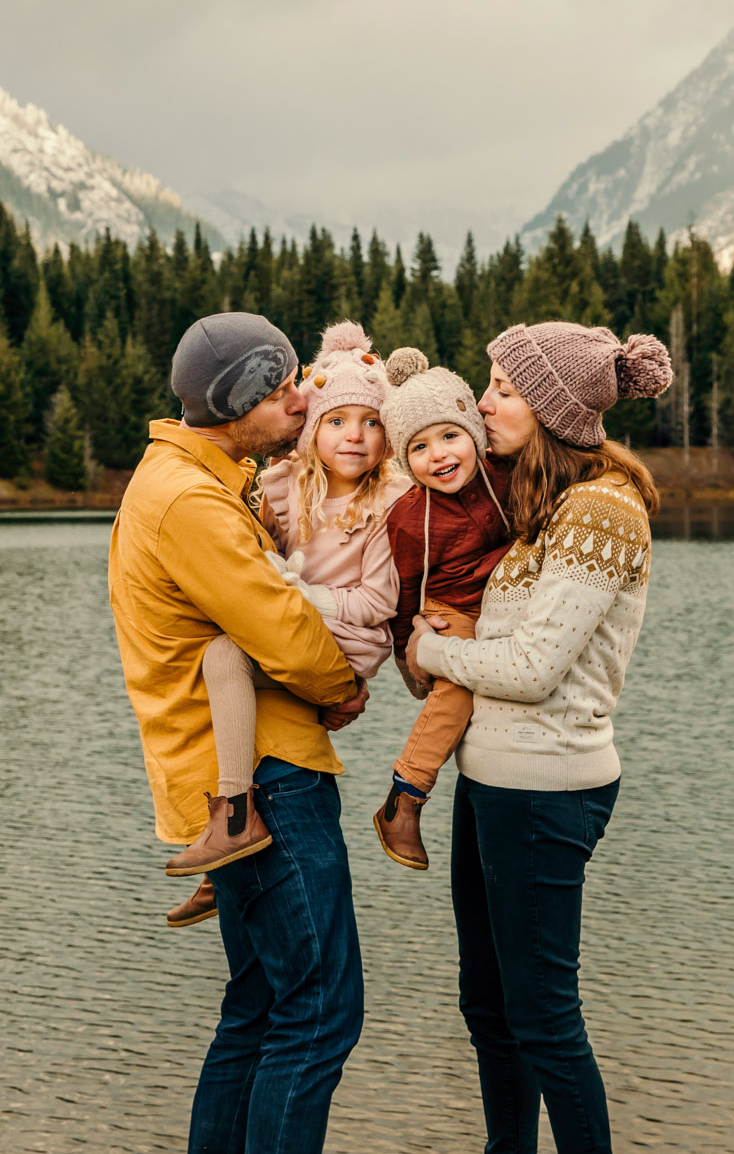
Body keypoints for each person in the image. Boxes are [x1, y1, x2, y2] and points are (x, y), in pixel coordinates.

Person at [405, 321, 671, 1154]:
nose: (484, 404)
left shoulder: (601, 509)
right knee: (488, 1005)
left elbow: (532, 668)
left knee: (544, 1016)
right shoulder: (541, 504)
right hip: (494, 784)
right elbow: (501, 649)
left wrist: (430, 647)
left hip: (547, 788)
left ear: (552, 410)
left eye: (504, 391)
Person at [108, 311, 371, 1154]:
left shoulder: (193, 475)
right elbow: (281, 625)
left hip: (236, 779)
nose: (300, 398)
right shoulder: (189, 499)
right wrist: (343, 685)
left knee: (259, 1007)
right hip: (264, 781)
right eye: (280, 386)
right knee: (320, 1008)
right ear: (233, 406)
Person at [164, 320, 410, 913]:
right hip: (297, 628)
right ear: (312, 430)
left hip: (347, 640)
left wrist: (299, 596)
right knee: (219, 675)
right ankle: (224, 859)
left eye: (372, 422)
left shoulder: (389, 503)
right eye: (336, 421)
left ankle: (234, 819)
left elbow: (377, 605)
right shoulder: (282, 485)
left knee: (224, 655)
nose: (354, 437)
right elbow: (253, 542)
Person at [370, 346, 513, 869]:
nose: (439, 455)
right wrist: (415, 653)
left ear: (473, 434)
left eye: (450, 436)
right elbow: (405, 593)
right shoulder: (408, 517)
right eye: (420, 447)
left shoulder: (505, 476)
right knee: (458, 689)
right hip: (450, 609)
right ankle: (405, 795)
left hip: (508, 601)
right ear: (404, 460)